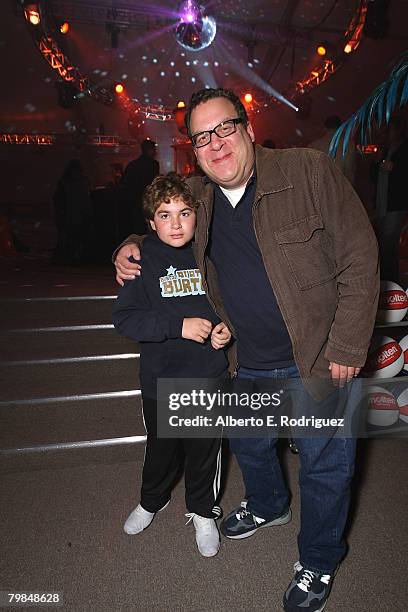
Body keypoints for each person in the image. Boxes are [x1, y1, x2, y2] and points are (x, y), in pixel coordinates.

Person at [113, 88, 379, 611]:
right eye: (203, 136)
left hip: (317, 357)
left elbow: (361, 258)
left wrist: (347, 344)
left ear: (248, 128)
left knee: (326, 467)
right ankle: (268, 504)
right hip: (241, 361)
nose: (216, 143)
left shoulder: (309, 173)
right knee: (250, 446)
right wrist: (124, 247)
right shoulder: (200, 196)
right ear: (195, 148)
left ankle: (319, 560)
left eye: (226, 128)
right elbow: (158, 217)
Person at [112, 174, 232, 558]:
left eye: (184, 212)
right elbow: (125, 319)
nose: (176, 224)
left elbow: (232, 305)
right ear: (151, 222)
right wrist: (177, 327)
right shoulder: (141, 258)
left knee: (203, 452)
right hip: (160, 377)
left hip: (206, 374)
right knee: (161, 448)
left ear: (197, 215)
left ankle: (202, 512)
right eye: (165, 215)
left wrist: (226, 331)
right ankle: (152, 500)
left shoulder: (212, 253)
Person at [371, 115, 408, 281]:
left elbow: (402, 175)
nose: (386, 133)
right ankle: (388, 280)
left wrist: (395, 169)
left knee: (388, 243)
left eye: (389, 129)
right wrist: (376, 163)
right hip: (382, 203)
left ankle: (390, 282)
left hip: (396, 203)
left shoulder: (405, 148)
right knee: (385, 244)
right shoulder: (386, 150)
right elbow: (374, 177)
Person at [118, 139, 160, 240]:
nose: (155, 152)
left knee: (137, 230)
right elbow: (154, 184)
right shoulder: (153, 164)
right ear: (149, 150)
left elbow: (124, 184)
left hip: (133, 202)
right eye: (153, 149)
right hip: (147, 201)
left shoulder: (132, 165)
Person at [308, 115, 356, 185]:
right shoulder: (349, 145)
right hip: (340, 186)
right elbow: (350, 171)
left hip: (321, 187)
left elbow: (310, 171)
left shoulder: (314, 145)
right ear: (340, 128)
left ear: (325, 128)